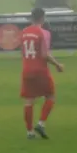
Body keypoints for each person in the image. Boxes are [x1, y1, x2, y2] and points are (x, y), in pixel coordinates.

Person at [20, 8, 64, 139]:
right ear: (43, 18)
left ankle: (29, 132)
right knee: (50, 96)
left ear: (31, 17)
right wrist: (57, 64)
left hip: (27, 69)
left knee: (29, 101)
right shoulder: (42, 33)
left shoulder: (23, 32)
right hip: (40, 70)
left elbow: (22, 52)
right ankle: (41, 123)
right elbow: (45, 55)